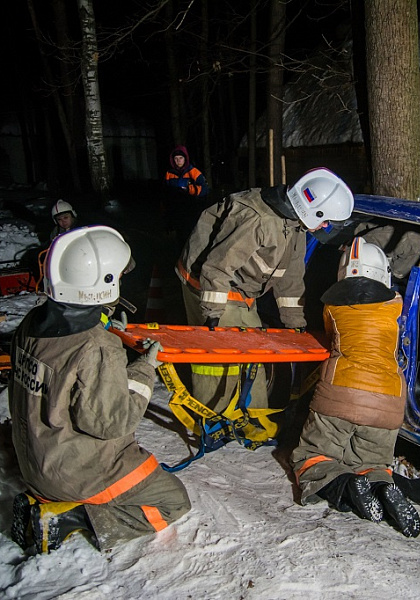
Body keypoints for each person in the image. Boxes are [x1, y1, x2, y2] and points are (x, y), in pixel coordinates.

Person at [9, 226, 191, 553]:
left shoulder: (32, 324)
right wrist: (145, 367)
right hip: (72, 473)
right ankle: (69, 521)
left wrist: (103, 322)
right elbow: (113, 423)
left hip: (34, 458)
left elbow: (64, 366)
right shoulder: (95, 347)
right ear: (103, 282)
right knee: (172, 501)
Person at [176, 167, 354, 416]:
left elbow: (291, 277)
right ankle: (217, 420)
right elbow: (217, 265)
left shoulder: (296, 226)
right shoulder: (259, 220)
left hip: (241, 289)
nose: (325, 226)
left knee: (252, 355)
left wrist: (295, 324)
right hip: (210, 284)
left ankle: (252, 416)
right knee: (219, 360)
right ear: (313, 211)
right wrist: (213, 312)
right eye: (325, 220)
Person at [290, 237, 420, 537]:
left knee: (313, 456)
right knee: (372, 461)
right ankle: (380, 484)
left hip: (343, 394)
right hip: (389, 401)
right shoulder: (394, 305)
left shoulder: (333, 305)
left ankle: (345, 486)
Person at [164, 145, 210, 245]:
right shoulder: (169, 173)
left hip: (191, 207)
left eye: (181, 158)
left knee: (192, 235)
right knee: (180, 237)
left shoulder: (193, 171)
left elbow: (205, 189)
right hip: (177, 208)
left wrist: (189, 189)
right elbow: (166, 191)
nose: (178, 161)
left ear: (185, 158)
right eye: (176, 159)